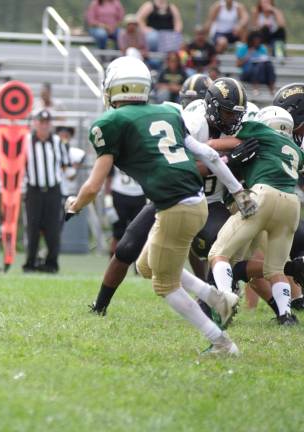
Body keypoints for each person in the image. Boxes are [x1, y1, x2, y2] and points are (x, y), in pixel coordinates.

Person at [66, 57, 257, 354]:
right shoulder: (169, 111)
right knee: (145, 266)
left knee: (164, 286)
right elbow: (208, 154)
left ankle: (222, 342)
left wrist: (73, 206)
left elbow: (92, 186)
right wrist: (238, 191)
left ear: (114, 89)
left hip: (174, 207)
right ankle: (216, 296)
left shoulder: (111, 122)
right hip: (193, 202)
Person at [209, 101, 304, 325]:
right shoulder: (296, 150)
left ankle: (225, 300)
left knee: (219, 253)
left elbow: (220, 144)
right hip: (292, 203)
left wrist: (206, 145)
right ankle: (285, 316)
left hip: (263, 194)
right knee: (276, 268)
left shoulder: (261, 132)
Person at [23, 110, 69, 273]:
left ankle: (51, 263)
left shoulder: (57, 141)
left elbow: (64, 164)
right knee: (32, 227)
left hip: (52, 191)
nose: (43, 125)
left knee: (53, 228)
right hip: (33, 190)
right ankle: (31, 263)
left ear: (50, 124)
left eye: (46, 122)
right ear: (35, 123)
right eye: (41, 122)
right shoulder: (26, 141)